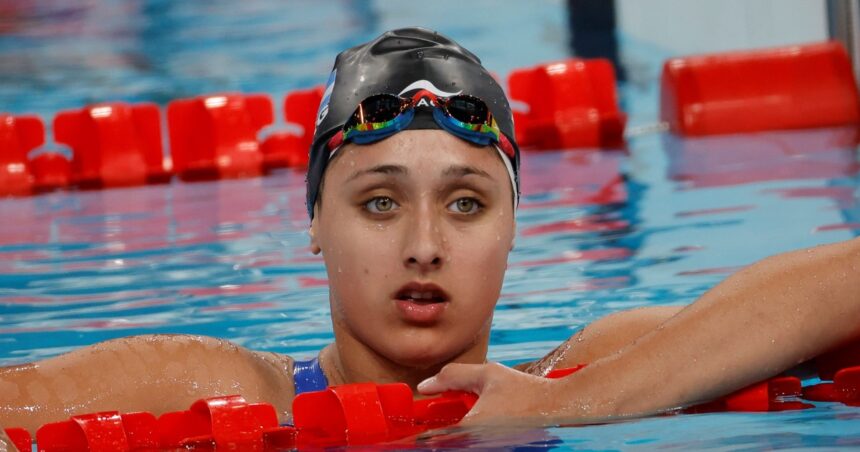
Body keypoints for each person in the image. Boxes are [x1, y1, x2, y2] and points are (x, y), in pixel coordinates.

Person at [2, 27, 859, 439]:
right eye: (379, 202)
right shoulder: (232, 388)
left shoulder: (592, 368)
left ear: (516, 225)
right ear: (313, 226)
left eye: (466, 204)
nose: (424, 245)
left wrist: (571, 404)